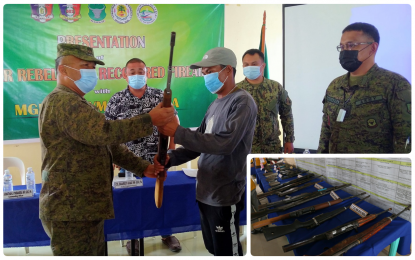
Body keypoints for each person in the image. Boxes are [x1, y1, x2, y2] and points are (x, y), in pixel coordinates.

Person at [38, 43, 175, 256]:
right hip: (71, 209)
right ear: (63, 70)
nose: (91, 72)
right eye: (85, 66)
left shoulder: (78, 102)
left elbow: (107, 144)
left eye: (93, 67)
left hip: (82, 208)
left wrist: (144, 168)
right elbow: (105, 132)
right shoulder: (63, 101)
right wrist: (150, 119)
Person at [157, 47, 257, 256]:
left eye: (209, 71)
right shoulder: (214, 104)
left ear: (228, 70)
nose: (205, 77)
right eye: (203, 73)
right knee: (213, 248)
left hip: (225, 194)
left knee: (227, 251)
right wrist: (170, 158)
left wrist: (178, 132)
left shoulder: (242, 101)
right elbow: (198, 144)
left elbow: (225, 143)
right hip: (205, 191)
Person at [105, 58, 181, 254]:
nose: (137, 74)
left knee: (162, 198)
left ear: (147, 73)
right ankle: (133, 236)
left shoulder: (159, 96)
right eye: (132, 71)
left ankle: (167, 233)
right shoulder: (116, 100)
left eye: (140, 70)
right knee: (131, 201)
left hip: (158, 158)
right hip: (127, 162)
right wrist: (113, 158)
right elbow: (108, 132)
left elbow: (174, 121)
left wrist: (172, 150)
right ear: (125, 75)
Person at [317, 22, 411, 153]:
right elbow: (326, 132)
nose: (345, 51)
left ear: (372, 48)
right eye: (342, 47)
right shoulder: (335, 86)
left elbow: (405, 140)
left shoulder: (395, 85)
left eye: (351, 45)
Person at [236, 49, 295, 154]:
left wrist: (289, 140)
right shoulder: (236, 91)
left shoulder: (275, 87)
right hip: (245, 149)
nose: (249, 67)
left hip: (272, 147)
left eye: (254, 64)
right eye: (246, 65)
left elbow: (286, 114)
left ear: (263, 66)